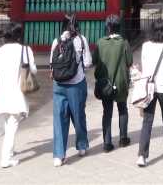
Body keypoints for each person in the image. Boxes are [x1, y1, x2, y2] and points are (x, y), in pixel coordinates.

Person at [0, 23, 36, 169]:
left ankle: (10, 151)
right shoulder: (25, 50)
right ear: (19, 35)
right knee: (12, 125)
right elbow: (33, 70)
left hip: (3, 93)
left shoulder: (1, 51)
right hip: (17, 93)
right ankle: (5, 159)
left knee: (8, 123)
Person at [50, 13, 92, 167]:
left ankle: (59, 155)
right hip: (76, 84)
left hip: (58, 85)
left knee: (59, 119)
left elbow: (51, 63)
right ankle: (81, 146)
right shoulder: (81, 40)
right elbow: (88, 62)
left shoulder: (57, 41)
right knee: (78, 115)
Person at [137, 19, 163, 167]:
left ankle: (142, 155)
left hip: (149, 87)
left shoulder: (146, 46)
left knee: (147, 120)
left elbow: (144, 66)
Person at [92, 14, 133, 152]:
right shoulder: (124, 43)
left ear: (108, 27)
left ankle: (107, 143)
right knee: (122, 109)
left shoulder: (100, 42)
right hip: (121, 82)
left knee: (107, 112)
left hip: (105, 84)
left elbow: (94, 61)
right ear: (119, 27)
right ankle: (123, 138)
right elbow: (129, 61)